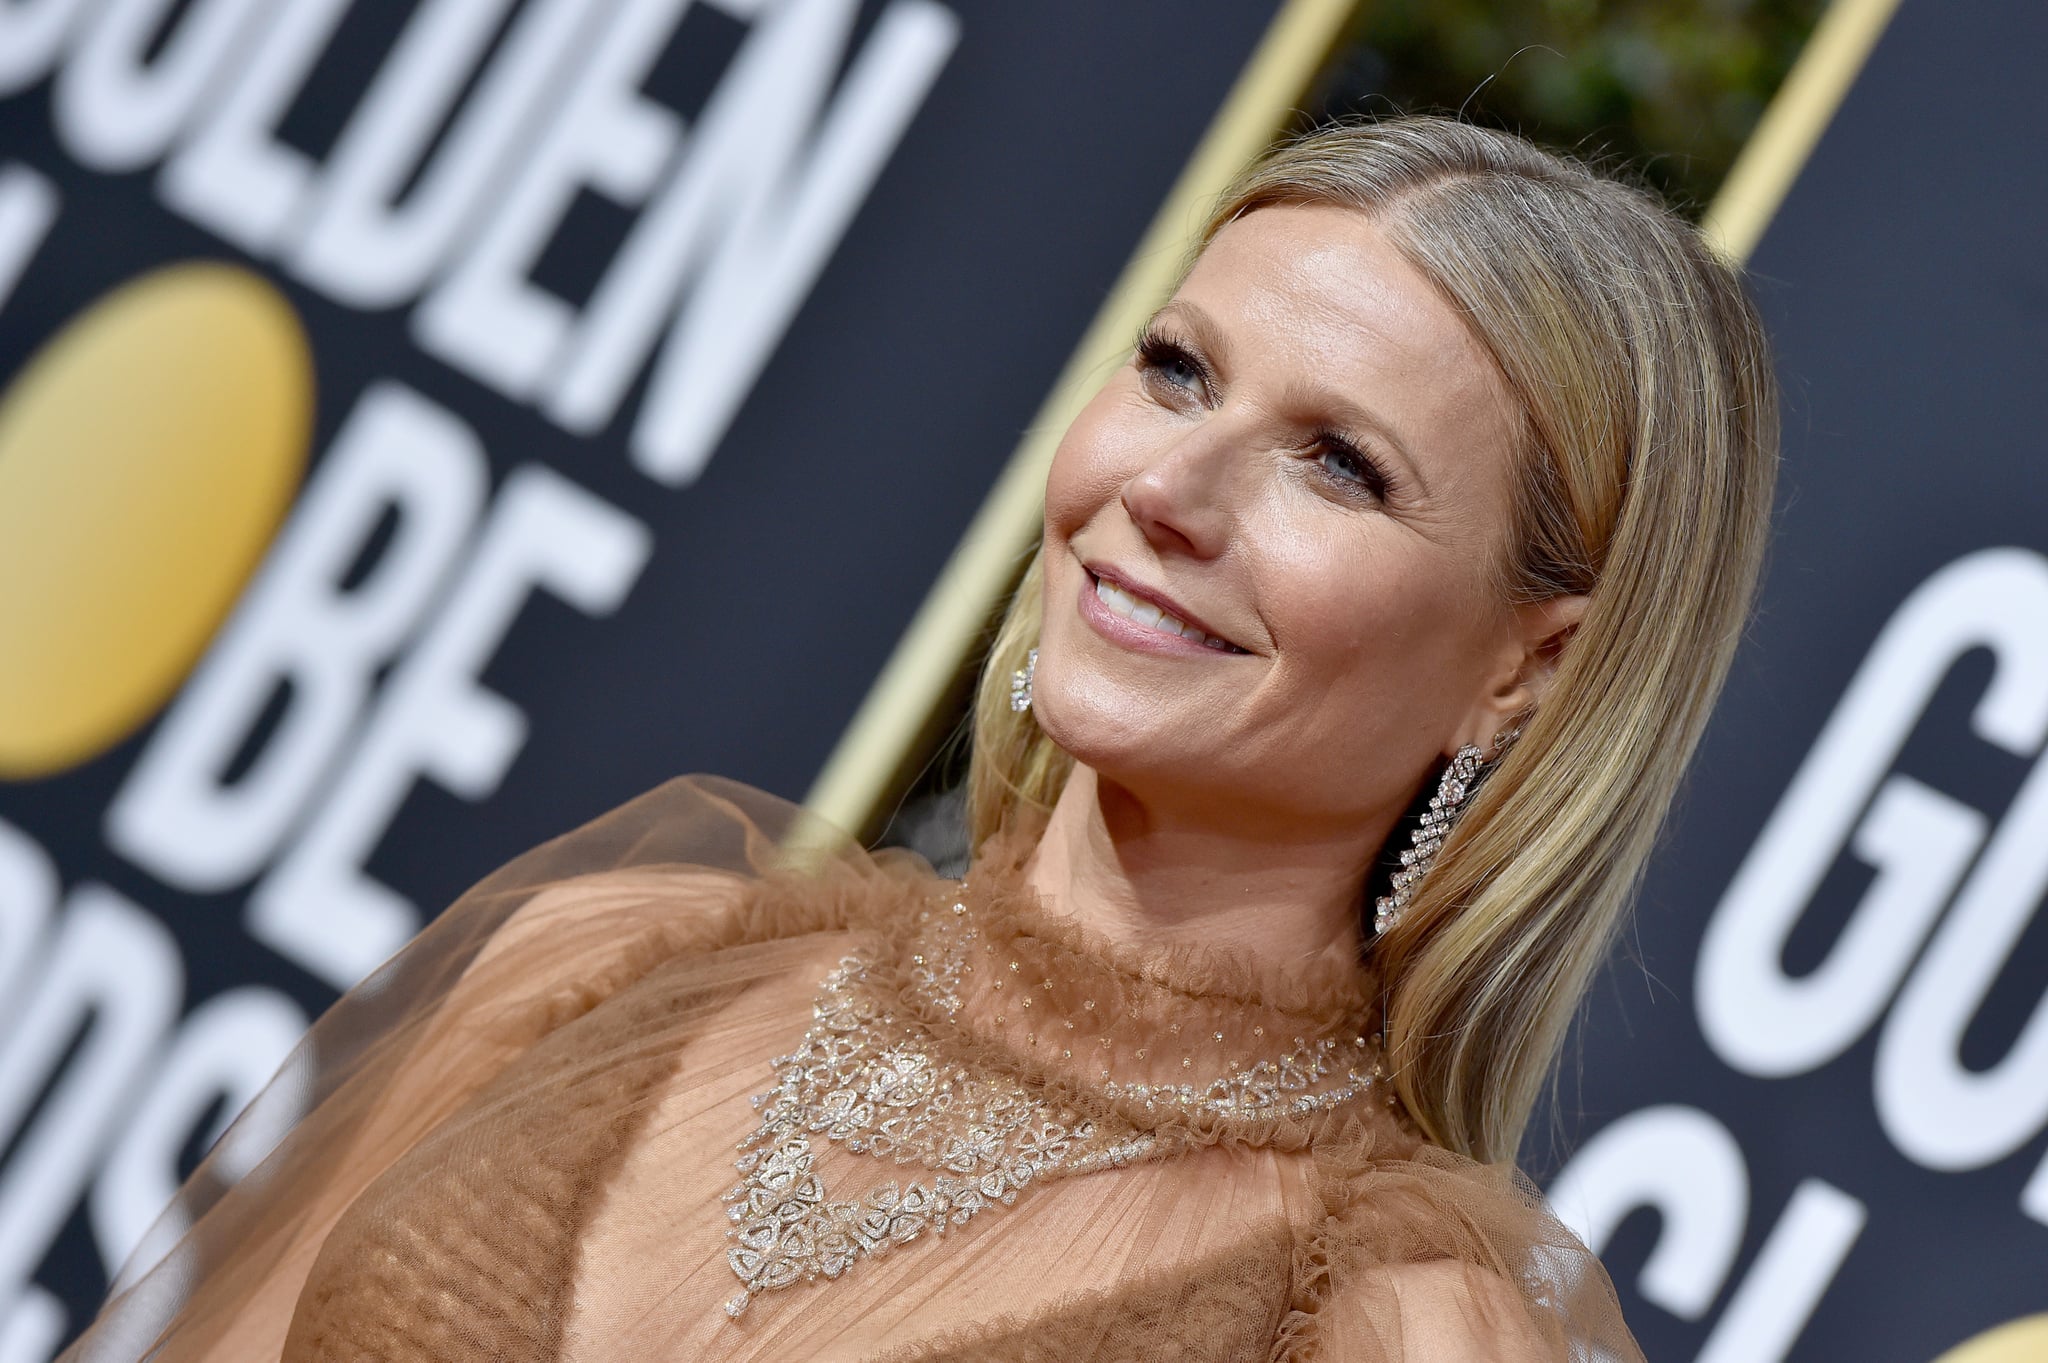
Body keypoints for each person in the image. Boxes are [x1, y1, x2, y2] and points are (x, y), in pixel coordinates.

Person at [63, 115, 1777, 1362]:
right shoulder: (605, 967)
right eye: (1178, 371)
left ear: (1529, 671)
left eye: (1340, 465)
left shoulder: (1387, 1327)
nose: (1163, 492)